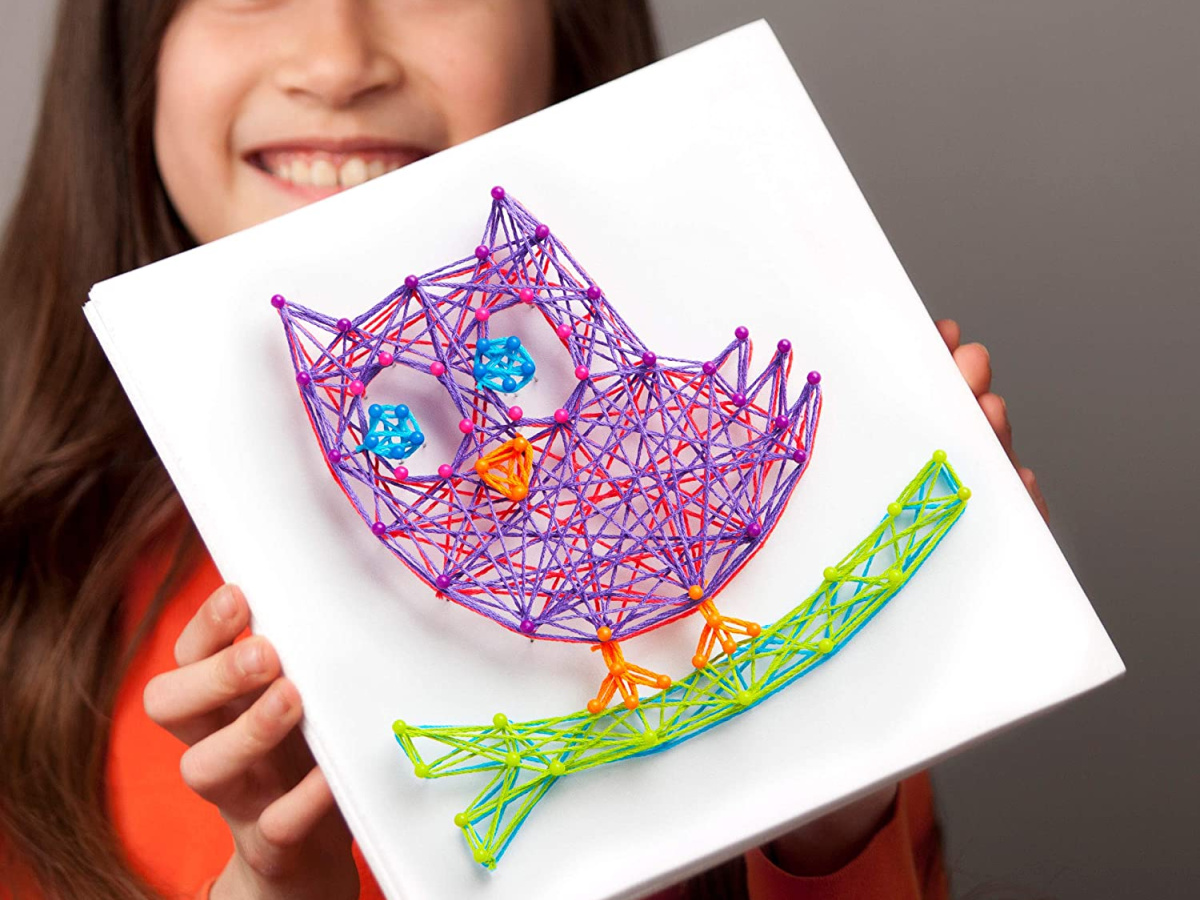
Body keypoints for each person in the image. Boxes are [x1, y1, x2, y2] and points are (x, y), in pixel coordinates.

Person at [0, 1, 1049, 898]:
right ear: (125, 53)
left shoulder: (774, 553)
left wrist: (828, 803)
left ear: (566, 23)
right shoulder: (24, 619)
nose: (338, 62)